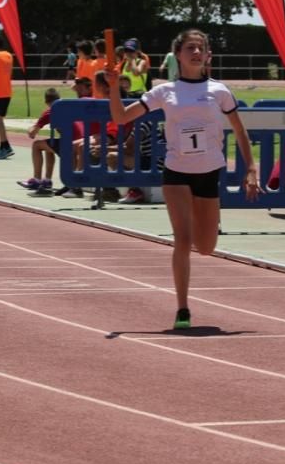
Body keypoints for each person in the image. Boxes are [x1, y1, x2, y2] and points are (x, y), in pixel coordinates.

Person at [106, 29, 260, 329]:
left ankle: (206, 229)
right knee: (182, 240)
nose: (196, 52)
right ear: (178, 54)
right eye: (190, 48)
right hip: (176, 172)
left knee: (206, 248)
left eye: (200, 48)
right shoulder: (165, 91)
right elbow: (121, 118)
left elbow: (240, 131)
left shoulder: (220, 91)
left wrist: (251, 168)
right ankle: (182, 308)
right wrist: (113, 88)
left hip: (209, 172)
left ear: (207, 55)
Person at [18, 86, 66, 195]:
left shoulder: (49, 112)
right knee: (48, 145)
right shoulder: (67, 107)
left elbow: (32, 134)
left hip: (67, 145)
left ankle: (37, 179)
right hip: (77, 141)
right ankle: (47, 180)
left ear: (46, 101)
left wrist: (30, 128)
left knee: (36, 145)